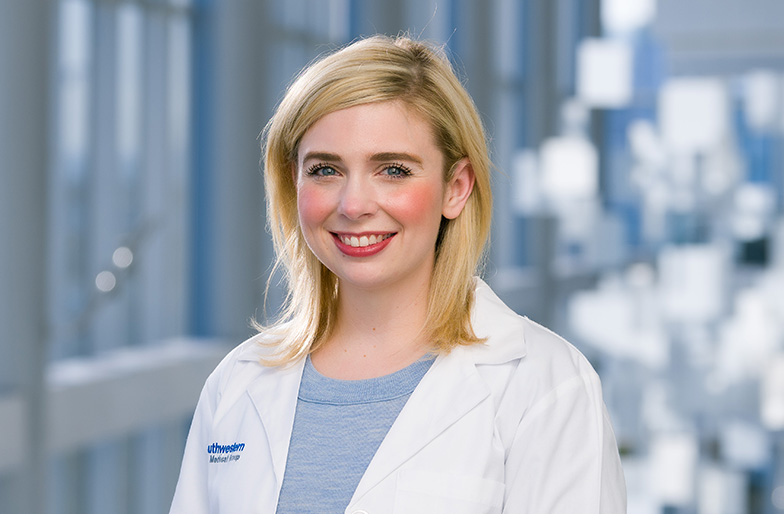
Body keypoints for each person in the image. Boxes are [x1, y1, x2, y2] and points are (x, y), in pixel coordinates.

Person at [169, 35, 625, 513]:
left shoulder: (545, 385)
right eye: (325, 169)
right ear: (293, 182)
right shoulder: (238, 383)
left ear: (456, 188)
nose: (354, 205)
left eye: (393, 170)